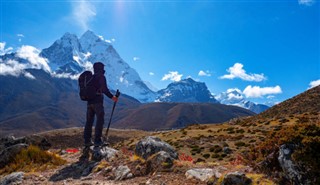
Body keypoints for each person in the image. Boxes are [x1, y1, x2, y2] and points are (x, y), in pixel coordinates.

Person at [83, 62, 118, 147]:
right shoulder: (101, 77)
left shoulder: (91, 78)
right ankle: (97, 140)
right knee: (100, 120)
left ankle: (87, 141)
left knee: (89, 122)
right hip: (98, 102)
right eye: (102, 67)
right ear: (100, 68)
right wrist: (112, 97)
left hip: (89, 102)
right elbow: (104, 89)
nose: (104, 69)